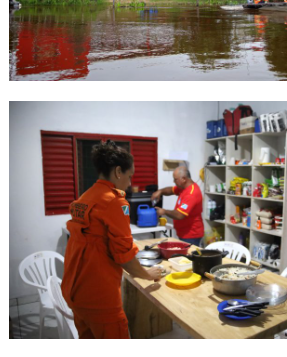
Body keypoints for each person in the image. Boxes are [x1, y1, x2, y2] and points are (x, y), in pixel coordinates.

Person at [61, 141, 163, 339]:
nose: (130, 182)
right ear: (118, 171)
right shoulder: (114, 201)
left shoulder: (85, 197)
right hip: (99, 297)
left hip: (75, 291)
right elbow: (124, 257)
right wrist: (148, 274)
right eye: (129, 175)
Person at [151, 166, 204, 246]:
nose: (174, 181)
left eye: (175, 179)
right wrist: (160, 191)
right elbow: (171, 190)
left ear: (184, 179)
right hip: (184, 233)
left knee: (188, 258)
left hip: (191, 235)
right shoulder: (183, 187)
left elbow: (179, 215)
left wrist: (164, 211)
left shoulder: (191, 193)